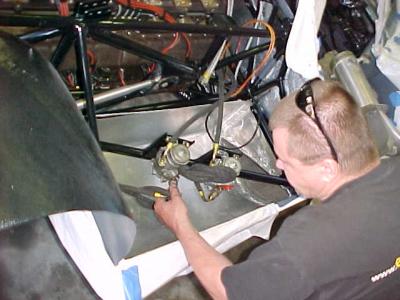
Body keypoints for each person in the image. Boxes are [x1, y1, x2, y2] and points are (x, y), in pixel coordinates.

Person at [154, 79, 400, 300]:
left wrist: (181, 225)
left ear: (326, 169)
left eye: (285, 161)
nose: (278, 165)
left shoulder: (307, 244)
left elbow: (228, 292)